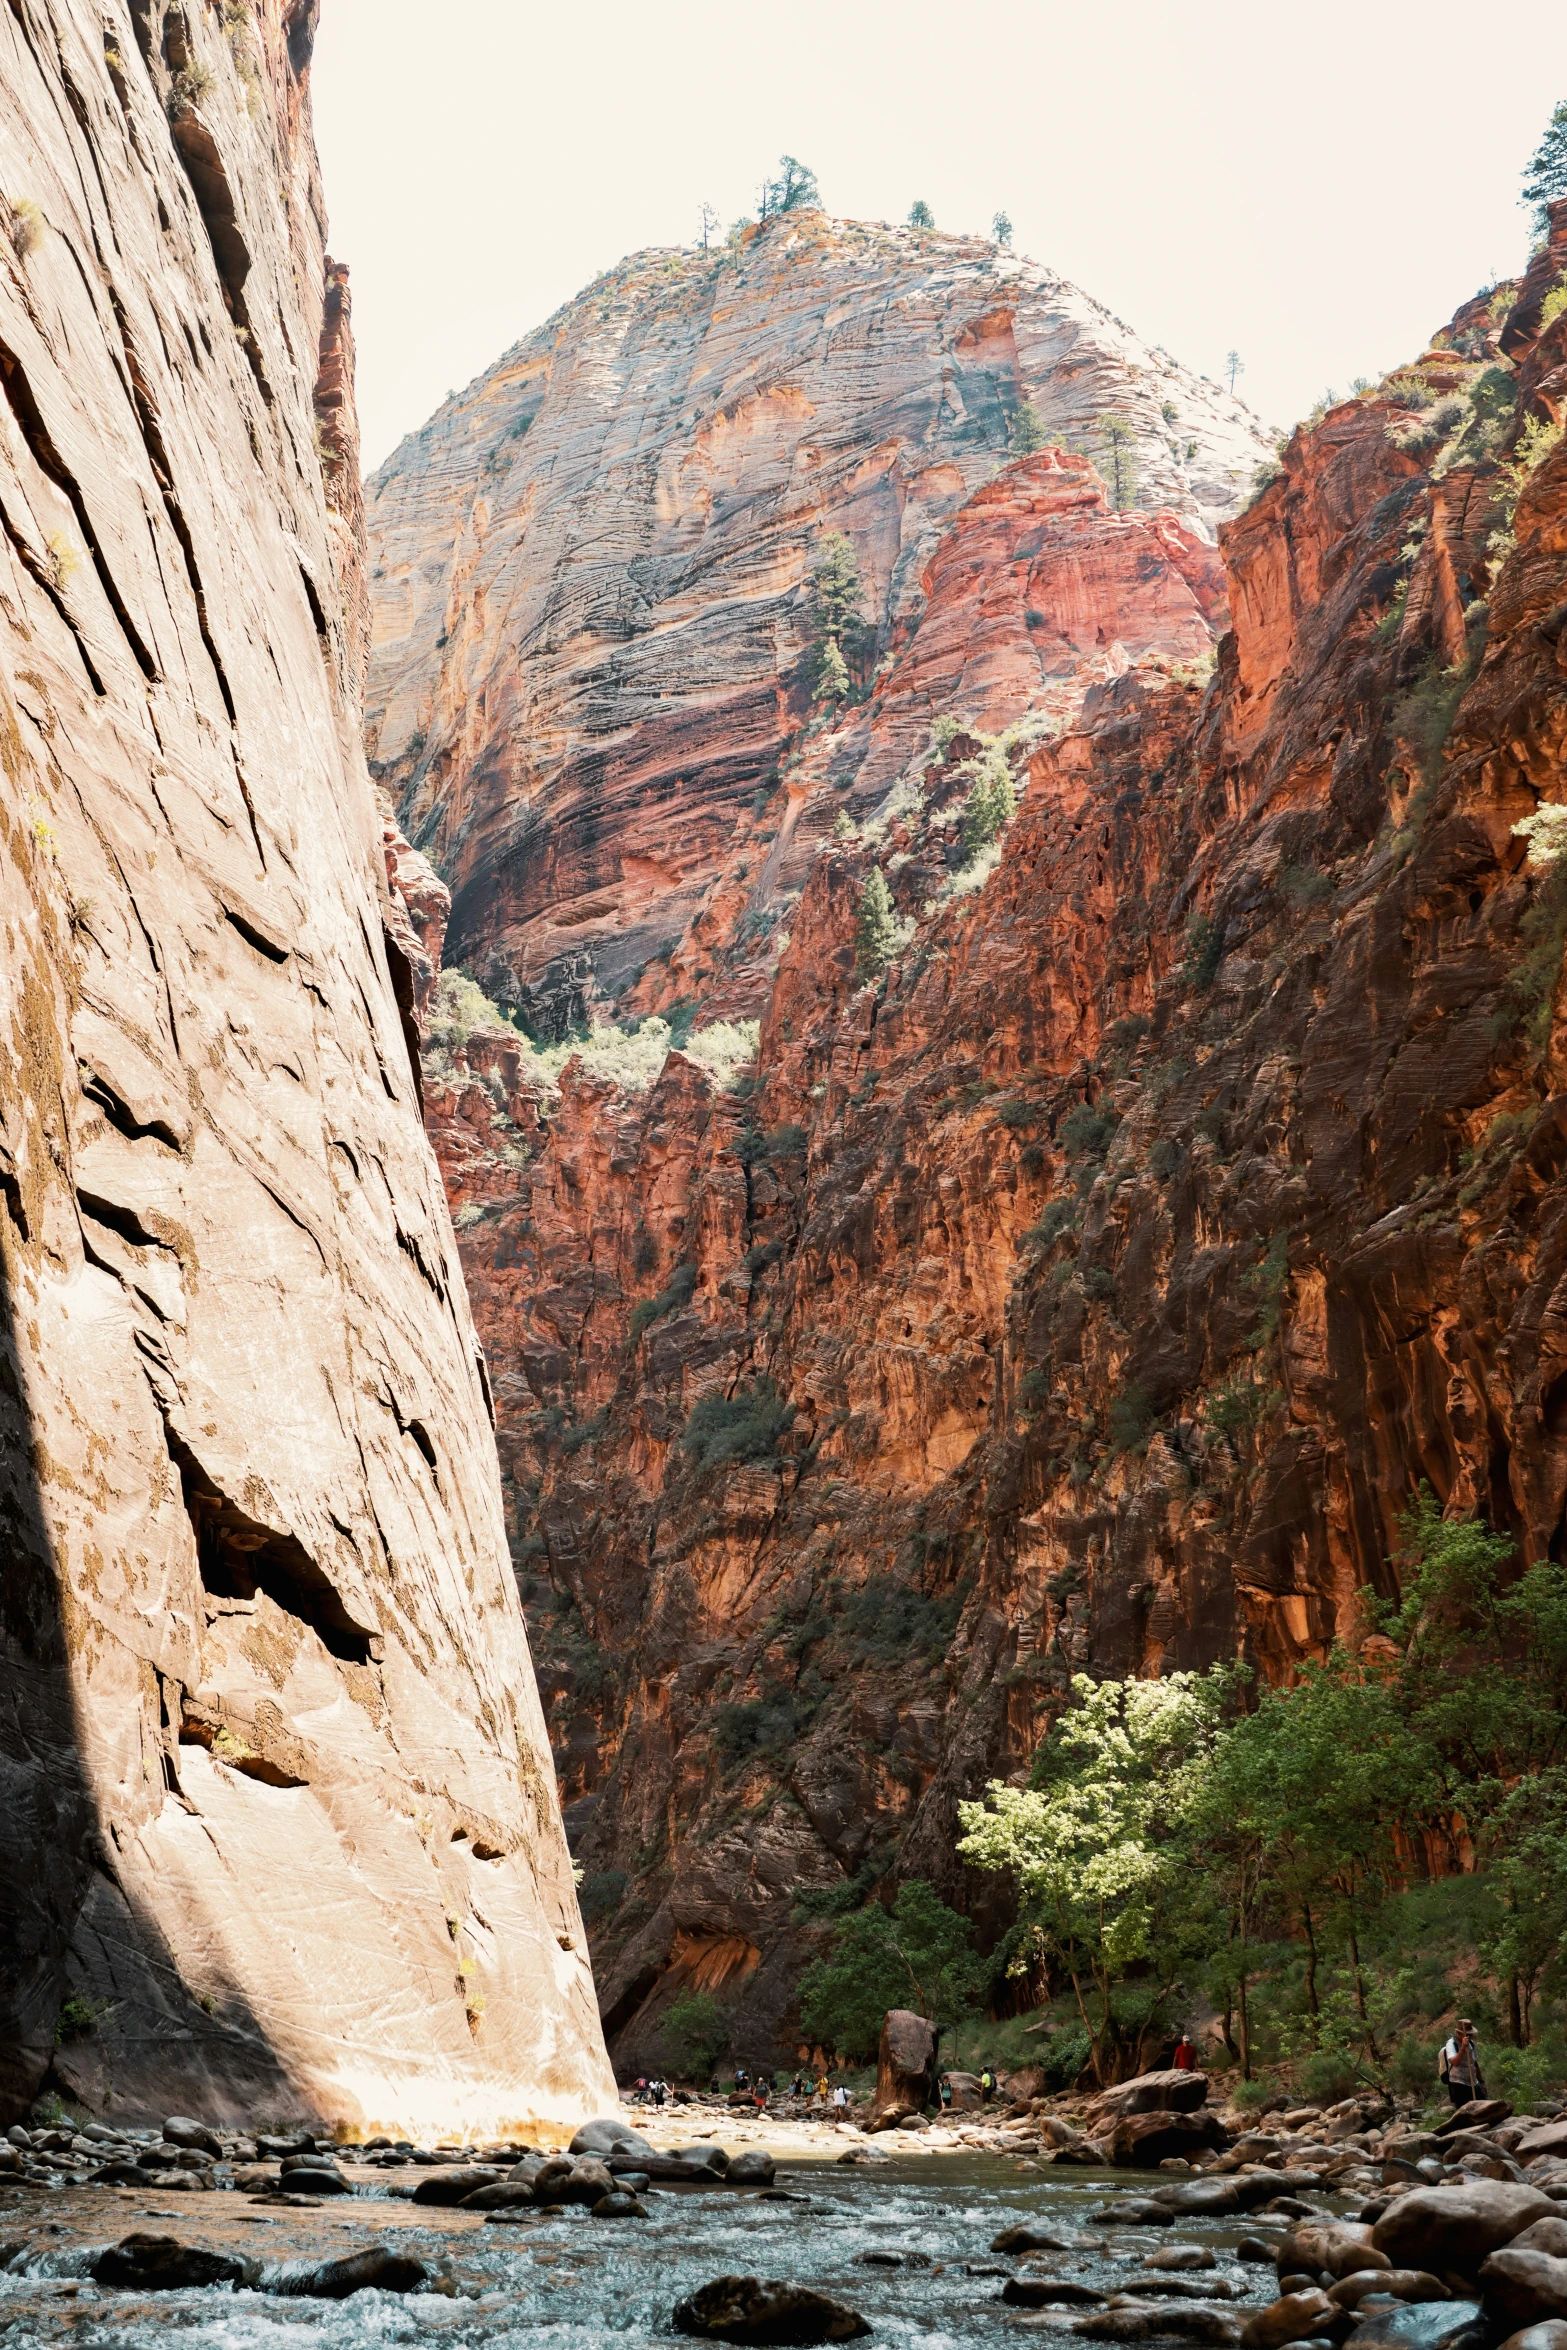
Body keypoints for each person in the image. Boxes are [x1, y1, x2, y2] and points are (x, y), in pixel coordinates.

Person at [1441, 2020, 1485, 2105]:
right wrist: (1463, 2047)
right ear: (1459, 2033)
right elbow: (1455, 2062)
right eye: (1468, 2034)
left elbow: (1474, 2063)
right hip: (1459, 2084)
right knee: (1465, 2112)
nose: (1470, 2036)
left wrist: (1481, 2081)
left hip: (1473, 2082)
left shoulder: (1471, 2043)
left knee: (1483, 2105)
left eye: (1470, 2034)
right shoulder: (1451, 2044)